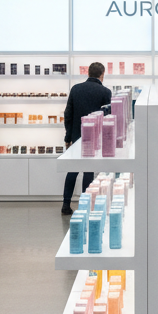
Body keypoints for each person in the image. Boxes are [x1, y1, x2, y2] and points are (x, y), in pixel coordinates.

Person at [61, 62, 111, 215]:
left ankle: (66, 204)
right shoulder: (105, 92)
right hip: (95, 137)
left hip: (76, 135)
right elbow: (108, 118)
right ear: (102, 74)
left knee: (72, 170)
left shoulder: (76, 89)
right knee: (88, 171)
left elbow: (68, 114)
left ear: (88, 73)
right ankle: (86, 205)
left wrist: (68, 137)